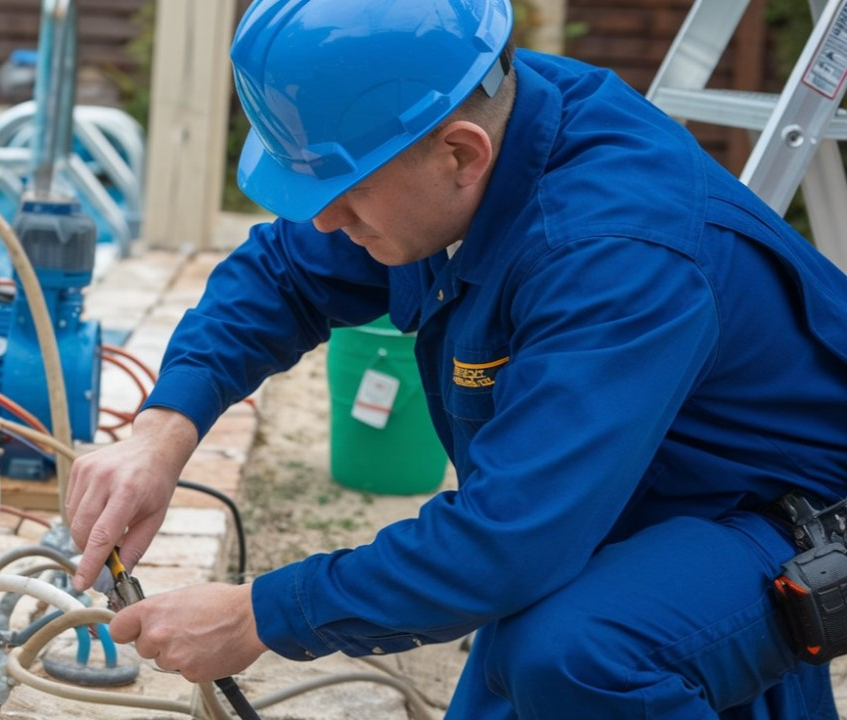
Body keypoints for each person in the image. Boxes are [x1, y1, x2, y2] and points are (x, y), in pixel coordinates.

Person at [66, 0, 847, 716]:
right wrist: (160, 433)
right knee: (522, 662)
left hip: (802, 516)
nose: (326, 222)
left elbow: (508, 542)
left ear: (460, 156)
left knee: (576, 653)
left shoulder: (615, 254)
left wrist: (262, 614)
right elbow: (284, 272)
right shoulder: (456, 129)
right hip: (665, 478)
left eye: (345, 195)